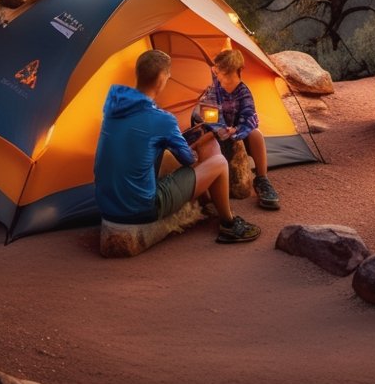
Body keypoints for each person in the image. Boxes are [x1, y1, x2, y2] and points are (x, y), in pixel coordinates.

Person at [94, 48, 260, 244]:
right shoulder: (162, 120)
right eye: (169, 74)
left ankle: (211, 203)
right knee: (219, 163)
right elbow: (188, 160)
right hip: (140, 209)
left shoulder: (113, 108)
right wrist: (190, 144)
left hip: (105, 205)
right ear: (162, 78)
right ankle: (229, 224)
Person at [192, 48, 280, 211]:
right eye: (221, 72)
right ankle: (206, 193)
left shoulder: (243, 92)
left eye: (227, 73)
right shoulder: (213, 89)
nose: (223, 77)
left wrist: (237, 131)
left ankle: (261, 179)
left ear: (238, 71)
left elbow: (249, 117)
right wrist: (222, 129)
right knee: (204, 136)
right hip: (216, 133)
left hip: (236, 135)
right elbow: (207, 113)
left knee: (256, 134)